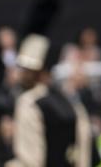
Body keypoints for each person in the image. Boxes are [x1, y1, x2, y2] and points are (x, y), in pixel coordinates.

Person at [9, 34, 94, 167]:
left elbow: (29, 161)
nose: (22, 74)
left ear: (37, 70)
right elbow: (83, 155)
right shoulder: (71, 102)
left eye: (26, 69)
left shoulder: (29, 102)